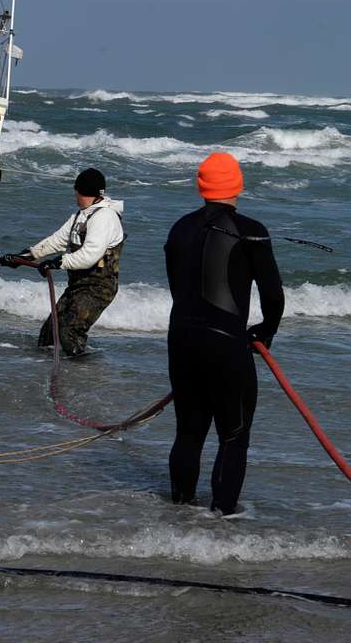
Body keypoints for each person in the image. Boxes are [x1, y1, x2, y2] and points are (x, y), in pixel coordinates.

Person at [164, 151, 285, 516]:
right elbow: (273, 296)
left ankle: (180, 512)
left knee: (188, 431)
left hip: (181, 338)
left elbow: (177, 288)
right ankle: (221, 521)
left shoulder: (179, 228)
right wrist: (265, 332)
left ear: (201, 187)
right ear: (238, 185)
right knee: (233, 435)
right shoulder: (252, 230)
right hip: (226, 343)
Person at [0, 168, 125, 355]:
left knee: (69, 333)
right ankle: (55, 368)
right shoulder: (81, 215)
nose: (74, 194)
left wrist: (58, 263)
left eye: (76, 190)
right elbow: (57, 241)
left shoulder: (104, 217)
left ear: (80, 191)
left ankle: (81, 374)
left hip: (98, 288)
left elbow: (90, 254)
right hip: (78, 286)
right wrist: (25, 257)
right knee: (48, 335)